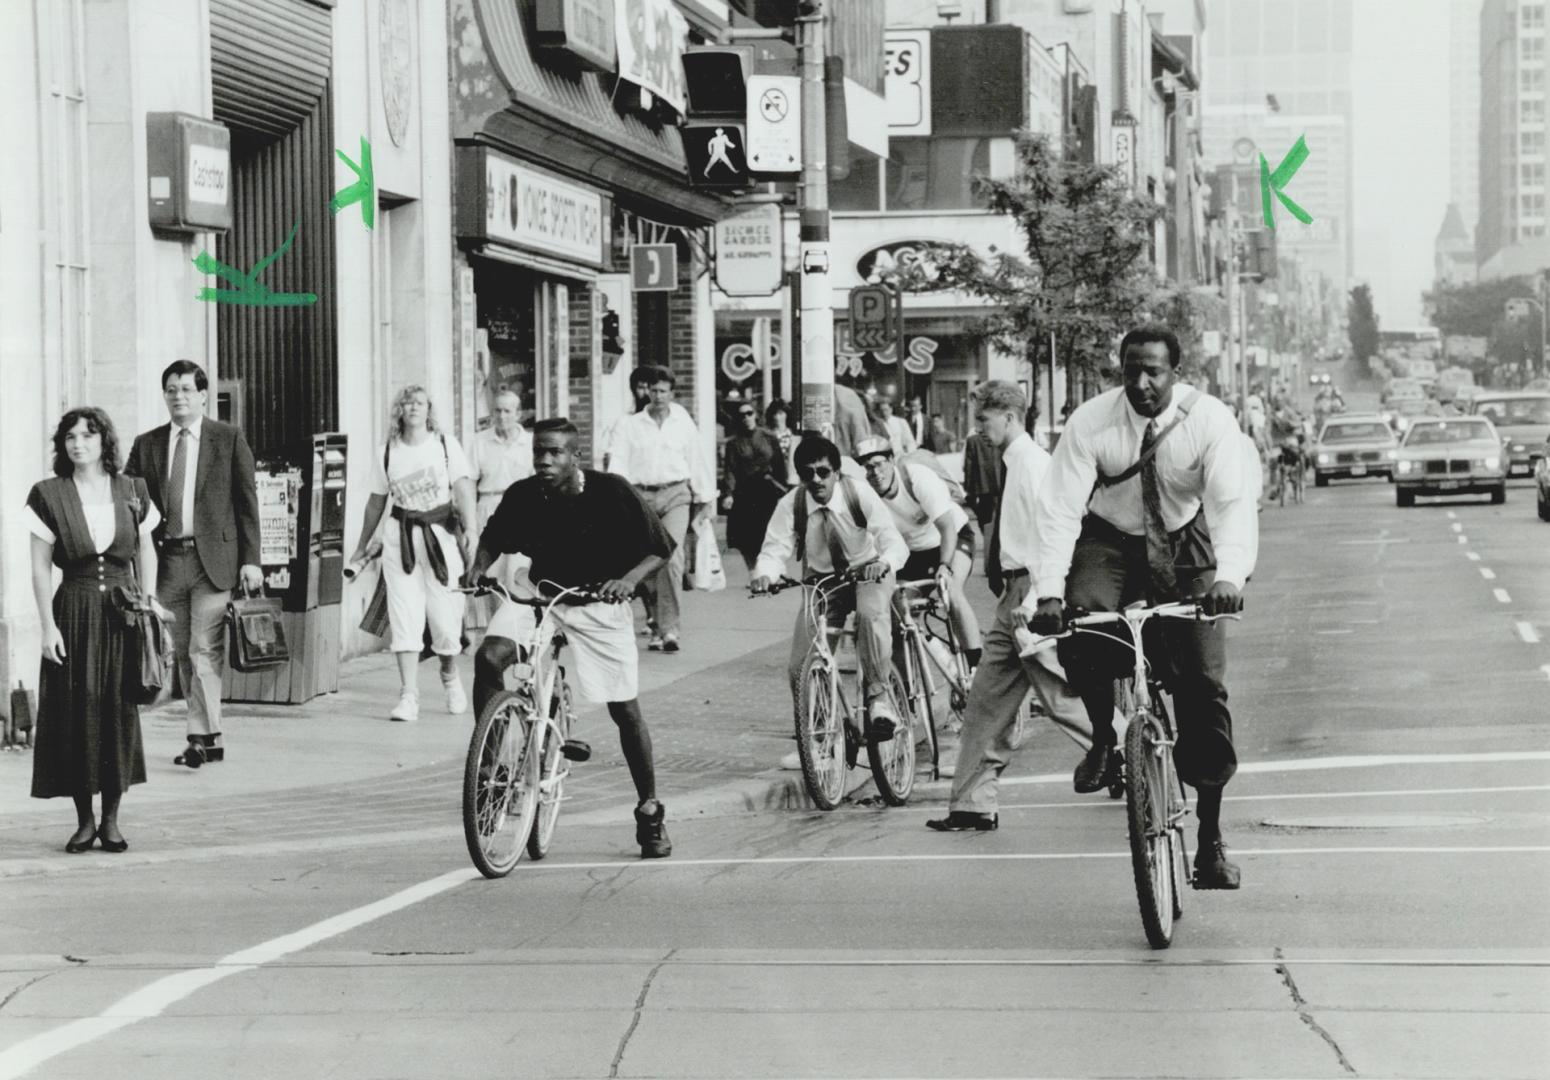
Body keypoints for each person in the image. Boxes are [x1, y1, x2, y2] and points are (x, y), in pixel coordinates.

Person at [1028, 326, 1258, 889]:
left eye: (1153, 370)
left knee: (1203, 688)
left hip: (1185, 544)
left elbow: (1230, 502)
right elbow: (1059, 509)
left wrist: (1228, 577)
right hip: (1110, 541)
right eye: (1131, 369)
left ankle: (1210, 843)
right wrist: (1049, 591)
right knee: (1081, 621)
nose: (1141, 382)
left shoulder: (1209, 420)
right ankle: (1106, 739)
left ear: (1176, 373)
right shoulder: (1091, 422)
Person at [470, 419, 676, 858]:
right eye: (539, 452)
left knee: (625, 710)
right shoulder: (524, 494)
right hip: (541, 593)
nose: (544, 461)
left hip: (598, 603)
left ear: (575, 456)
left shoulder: (612, 492)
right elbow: (493, 538)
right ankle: (489, 773)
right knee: (490, 657)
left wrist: (626, 580)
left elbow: (661, 547)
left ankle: (650, 811)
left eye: (555, 453)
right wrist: (478, 567)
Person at [923, 382, 1093, 833]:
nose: (979, 429)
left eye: (984, 419)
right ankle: (972, 805)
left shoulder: (1034, 465)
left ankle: (1131, 752)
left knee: (1058, 696)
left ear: (1010, 418)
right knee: (986, 699)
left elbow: (1055, 533)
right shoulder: (1015, 462)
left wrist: (1036, 597)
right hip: (1013, 596)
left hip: (1028, 593)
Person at [27, 408, 169, 852]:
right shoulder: (48, 494)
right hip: (73, 610)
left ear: (104, 441)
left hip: (123, 614)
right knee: (77, 712)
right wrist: (47, 627)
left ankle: (111, 819)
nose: (78, 443)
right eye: (69, 437)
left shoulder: (133, 490)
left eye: (87, 435)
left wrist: (149, 601)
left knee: (117, 711)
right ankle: (84, 821)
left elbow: (146, 550)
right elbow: (37, 569)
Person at [125, 360, 261, 769]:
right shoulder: (147, 444)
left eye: (186, 389)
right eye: (171, 390)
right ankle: (211, 736)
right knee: (182, 650)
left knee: (204, 647)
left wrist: (252, 561)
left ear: (203, 395)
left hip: (214, 562)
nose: (179, 397)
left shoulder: (228, 438)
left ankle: (199, 736)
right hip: (167, 559)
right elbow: (128, 498)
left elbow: (246, 503)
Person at [750, 435, 907, 742]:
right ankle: (821, 730)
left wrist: (884, 563)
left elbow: (892, 540)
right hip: (822, 581)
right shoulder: (791, 504)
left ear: (837, 472)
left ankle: (879, 701)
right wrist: (766, 575)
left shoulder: (857, 494)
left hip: (867, 572)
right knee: (800, 664)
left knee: (869, 617)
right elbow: (774, 548)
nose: (816, 480)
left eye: (823, 472)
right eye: (807, 474)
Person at [349, 385, 477, 723]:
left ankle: (450, 676)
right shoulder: (387, 452)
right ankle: (409, 695)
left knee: (445, 619)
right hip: (400, 538)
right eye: (407, 402)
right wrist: (362, 545)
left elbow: (463, 488)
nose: (414, 407)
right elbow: (377, 500)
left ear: (429, 408)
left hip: (440, 536)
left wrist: (473, 531)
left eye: (420, 402)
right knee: (404, 615)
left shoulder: (445, 446)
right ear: (399, 410)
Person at [606, 365, 715, 653]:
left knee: (670, 556)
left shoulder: (682, 422)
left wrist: (706, 497)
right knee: (643, 560)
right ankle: (654, 622)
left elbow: (697, 457)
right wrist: (618, 497)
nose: (657, 396)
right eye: (652, 390)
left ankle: (669, 629)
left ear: (672, 393)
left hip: (676, 494)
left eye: (663, 391)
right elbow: (617, 462)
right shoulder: (630, 424)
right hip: (640, 496)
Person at [851, 436, 983, 672]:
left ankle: (976, 667)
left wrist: (945, 565)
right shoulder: (868, 496)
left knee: (950, 590)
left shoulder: (916, 477)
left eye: (879, 464)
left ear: (891, 460)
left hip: (951, 539)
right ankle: (912, 688)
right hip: (913, 554)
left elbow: (947, 526)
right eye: (867, 468)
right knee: (897, 611)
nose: (874, 473)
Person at [467, 390, 534, 621]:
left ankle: (517, 628)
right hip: (487, 505)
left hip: (522, 511)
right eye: (497, 410)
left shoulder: (530, 443)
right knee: (488, 573)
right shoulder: (479, 441)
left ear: (518, 413)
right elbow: (468, 482)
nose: (502, 415)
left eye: (507, 410)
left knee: (516, 572)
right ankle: (490, 629)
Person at [724, 400, 789, 572]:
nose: (746, 418)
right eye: (742, 415)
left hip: (767, 491)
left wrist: (783, 489)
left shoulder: (769, 437)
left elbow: (779, 465)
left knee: (768, 532)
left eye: (749, 413)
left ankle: (771, 569)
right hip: (745, 492)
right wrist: (728, 493)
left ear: (755, 414)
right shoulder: (734, 443)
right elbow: (730, 469)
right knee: (747, 538)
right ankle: (753, 572)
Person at [960, 423, 1003, 532]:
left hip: (982, 486)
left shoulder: (972, 441)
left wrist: (968, 488)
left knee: (984, 515)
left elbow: (968, 467)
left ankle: (986, 534)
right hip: (999, 484)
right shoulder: (1001, 440)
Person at [765, 398, 798, 485]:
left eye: (780, 413)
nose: (776, 417)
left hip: (792, 479)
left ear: (786, 415)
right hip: (774, 480)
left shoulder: (794, 436)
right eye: (774, 414)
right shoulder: (767, 436)